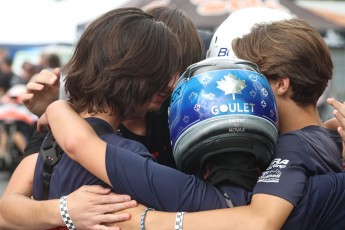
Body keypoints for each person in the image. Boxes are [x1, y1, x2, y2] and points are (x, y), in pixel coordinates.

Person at [37, 17, 345, 230]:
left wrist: (145, 221)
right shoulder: (326, 139)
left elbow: (256, 221)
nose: (235, 84)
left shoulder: (292, 149)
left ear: (280, 84)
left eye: (248, 77)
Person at [0, 6, 182, 229]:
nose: (169, 82)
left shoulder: (54, 136)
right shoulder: (62, 129)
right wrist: (64, 210)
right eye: (162, 70)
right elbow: (6, 211)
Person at [22, 5, 204, 169]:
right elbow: (15, 200)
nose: (170, 83)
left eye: (180, 71)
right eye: (161, 68)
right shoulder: (74, 115)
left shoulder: (180, 119)